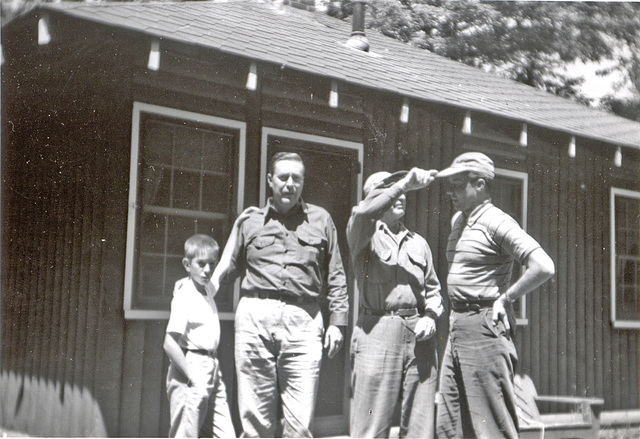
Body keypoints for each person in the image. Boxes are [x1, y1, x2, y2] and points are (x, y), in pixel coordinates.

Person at [221, 152, 349, 438]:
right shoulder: (250, 221)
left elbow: (336, 274)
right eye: (283, 177)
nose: (290, 184)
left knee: (300, 421)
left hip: (303, 320)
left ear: (303, 182)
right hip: (255, 315)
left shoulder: (321, 220)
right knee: (255, 418)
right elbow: (227, 269)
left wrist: (337, 324)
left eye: (297, 178)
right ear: (270, 180)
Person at [434, 152, 555, 439]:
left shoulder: (496, 221)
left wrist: (507, 298)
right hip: (457, 326)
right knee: (450, 423)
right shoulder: (459, 221)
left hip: (484, 328)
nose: (450, 191)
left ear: (479, 184)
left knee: (491, 426)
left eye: (457, 184)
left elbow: (543, 266)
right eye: (448, 185)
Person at [347, 168, 444, 438]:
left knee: (420, 426)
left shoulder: (419, 243)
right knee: (371, 426)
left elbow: (435, 290)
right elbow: (365, 213)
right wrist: (402, 184)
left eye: (400, 189)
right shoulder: (362, 235)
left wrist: (430, 316)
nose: (400, 193)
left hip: (419, 337)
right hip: (376, 331)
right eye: (388, 188)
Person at [163, 209, 254, 438]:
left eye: (209, 264)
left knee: (226, 434)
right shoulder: (184, 295)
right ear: (187, 264)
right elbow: (169, 343)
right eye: (201, 264)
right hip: (191, 366)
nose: (207, 269)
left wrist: (238, 224)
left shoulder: (207, 290)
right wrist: (192, 376)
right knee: (185, 434)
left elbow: (224, 263)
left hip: (212, 367)